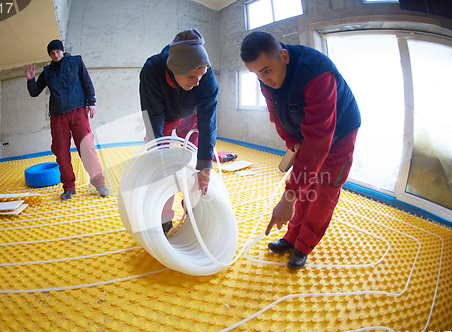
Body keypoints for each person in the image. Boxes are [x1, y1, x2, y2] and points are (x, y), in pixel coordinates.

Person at [240, 31, 361, 269]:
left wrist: (288, 196)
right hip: (310, 135)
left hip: (339, 134)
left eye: (266, 70)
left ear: (284, 56)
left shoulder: (317, 74)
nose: (263, 79)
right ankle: (291, 236)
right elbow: (276, 116)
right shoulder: (267, 80)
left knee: (323, 190)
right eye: (256, 74)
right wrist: (293, 142)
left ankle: (304, 245)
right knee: (306, 189)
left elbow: (319, 140)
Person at [139, 29, 218, 234]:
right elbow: (153, 118)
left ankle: (193, 209)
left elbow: (207, 122)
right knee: (162, 169)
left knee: (195, 164)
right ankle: (164, 217)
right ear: (174, 69)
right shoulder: (152, 70)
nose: (197, 82)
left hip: (192, 115)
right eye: (191, 76)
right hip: (163, 116)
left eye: (201, 76)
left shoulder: (206, 77)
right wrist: (159, 158)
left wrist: (205, 166)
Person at [25, 39, 110, 200]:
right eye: (52, 53)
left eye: (58, 51)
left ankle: (99, 184)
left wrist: (91, 102)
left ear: (62, 51)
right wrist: (30, 80)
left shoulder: (76, 61)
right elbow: (35, 92)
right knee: (61, 152)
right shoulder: (48, 71)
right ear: (49, 55)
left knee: (87, 148)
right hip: (58, 116)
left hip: (78, 111)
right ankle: (69, 188)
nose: (56, 55)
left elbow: (87, 82)